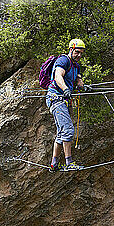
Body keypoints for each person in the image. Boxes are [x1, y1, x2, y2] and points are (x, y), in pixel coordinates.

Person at [46, 38, 86, 171]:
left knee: (61, 133)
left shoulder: (76, 66)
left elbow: (79, 82)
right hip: (55, 98)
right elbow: (58, 77)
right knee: (68, 129)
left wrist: (84, 87)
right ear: (71, 49)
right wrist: (65, 89)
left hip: (63, 100)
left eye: (81, 53)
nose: (79, 55)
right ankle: (69, 162)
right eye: (77, 52)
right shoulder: (63, 61)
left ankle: (54, 163)